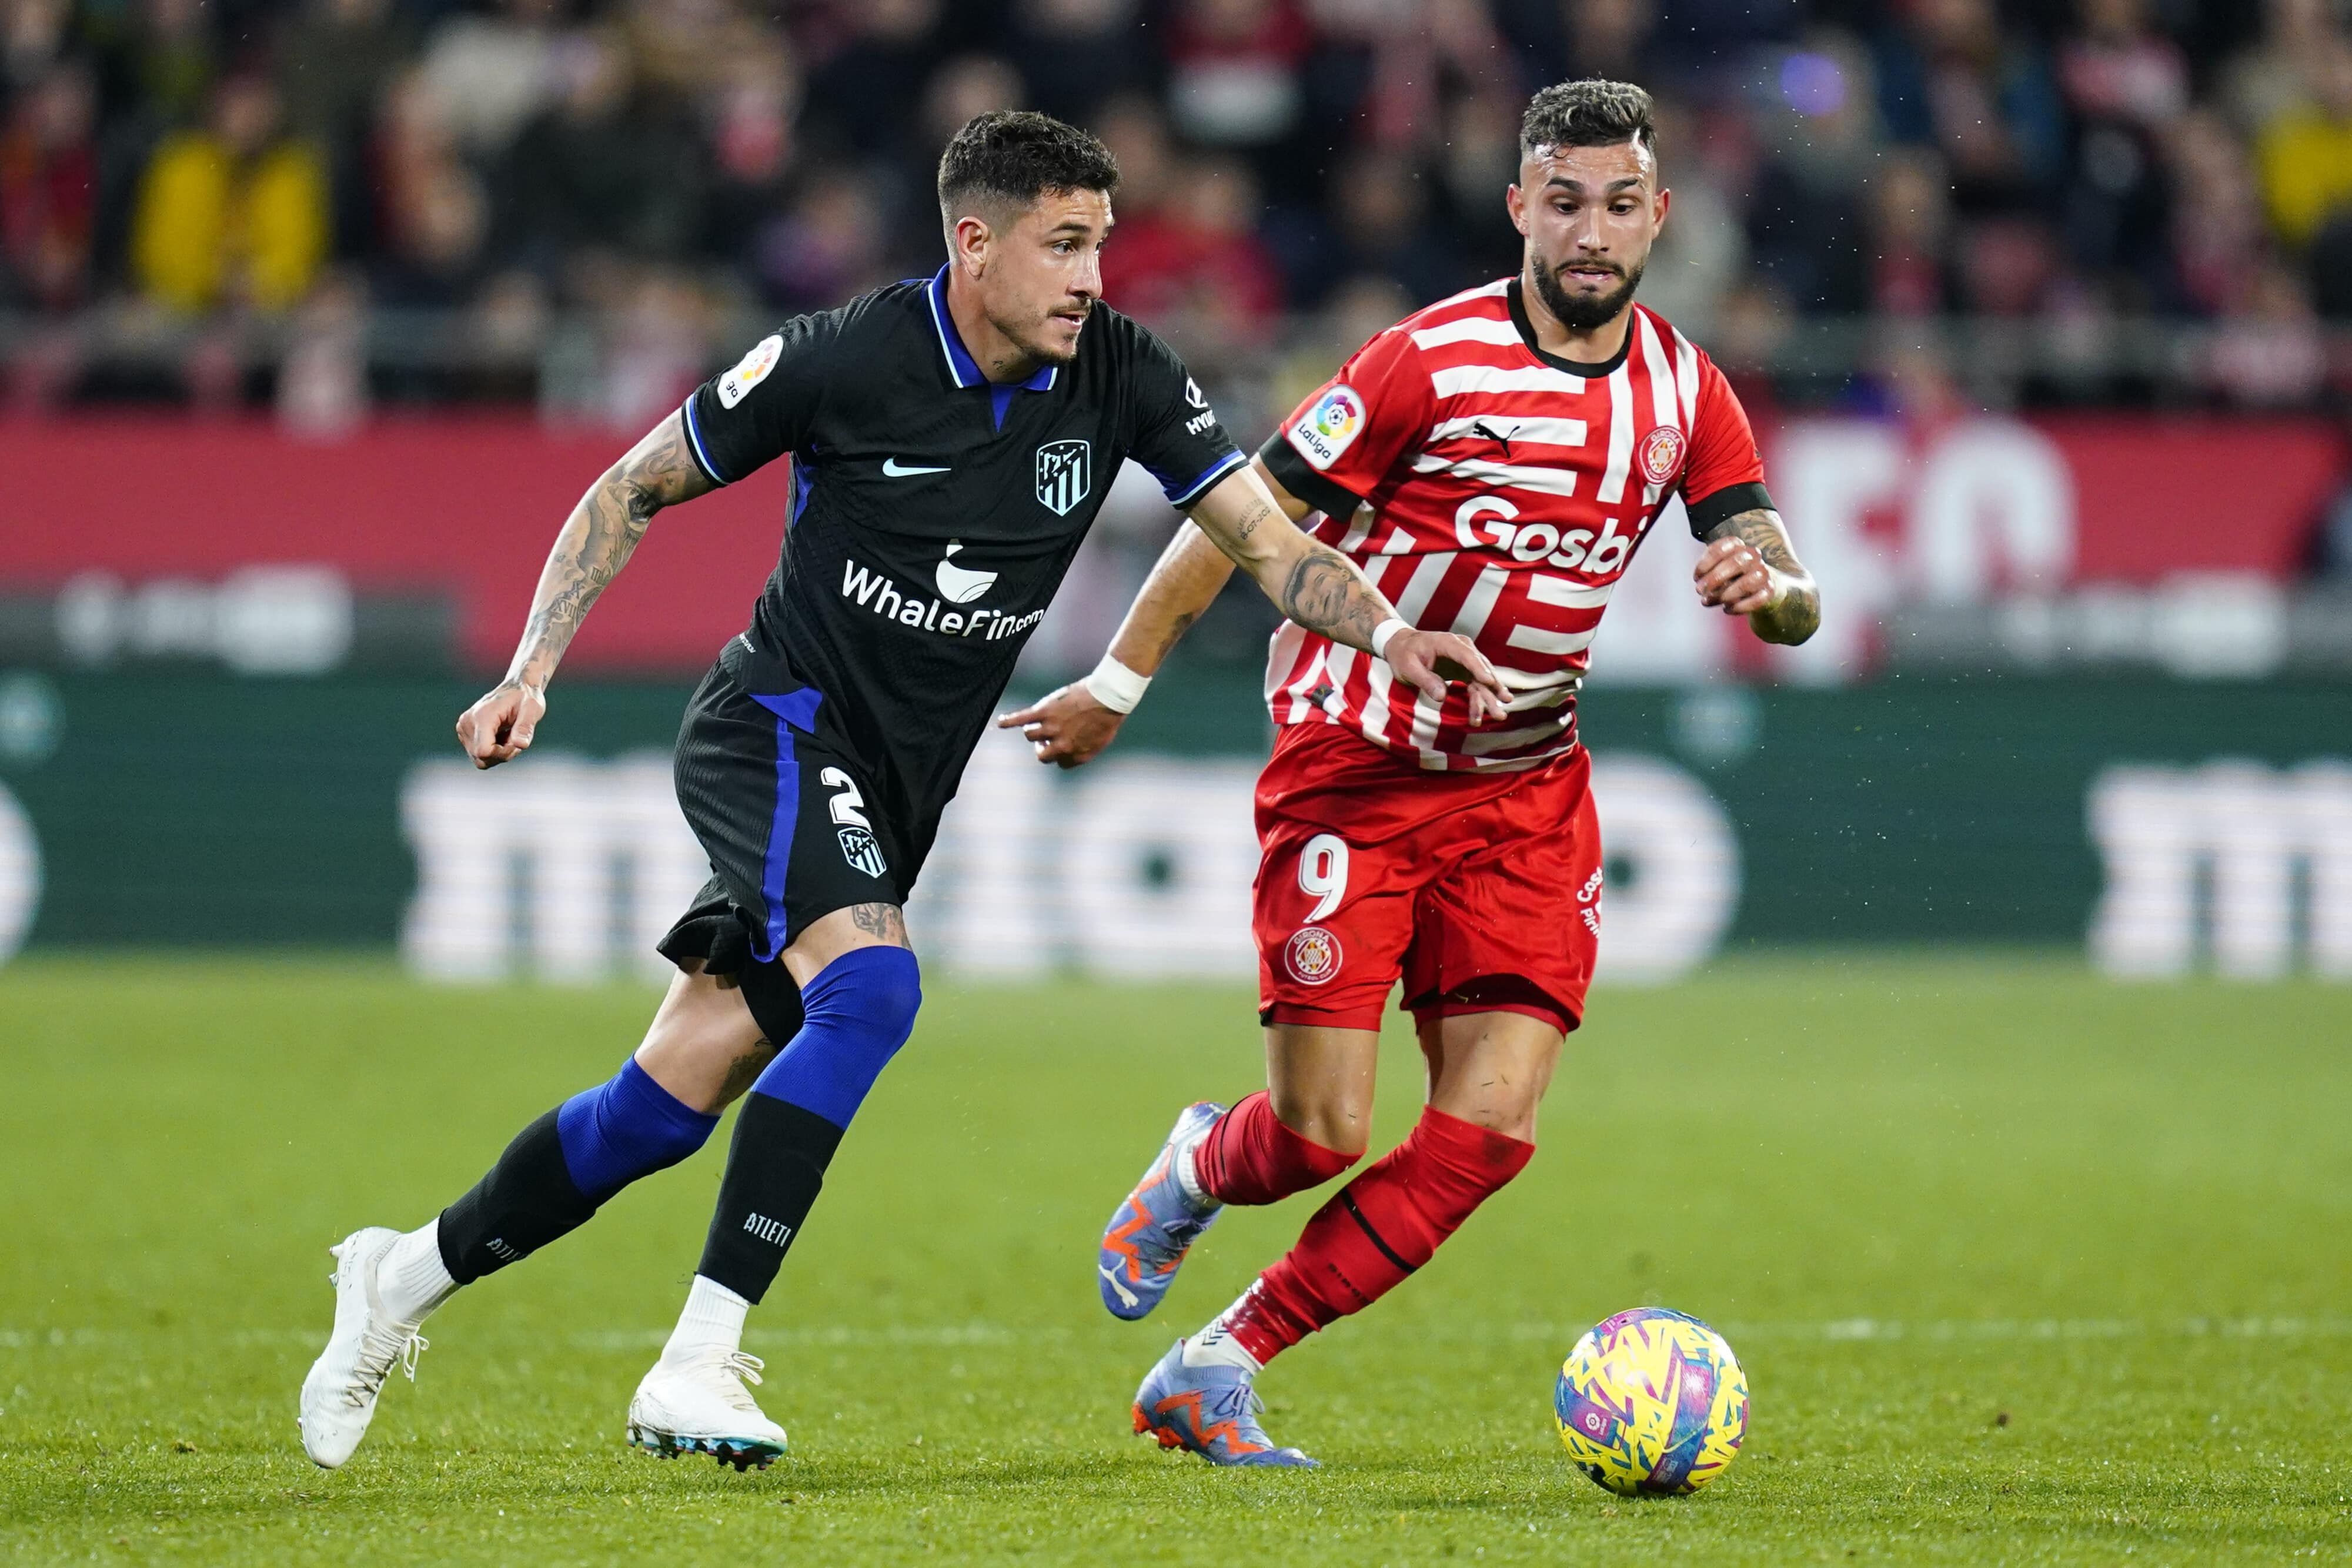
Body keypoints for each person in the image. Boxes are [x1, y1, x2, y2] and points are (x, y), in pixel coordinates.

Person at [298, 109, 1507, 1472]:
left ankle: (394, 1280)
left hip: (893, 788)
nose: (1091, 278)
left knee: (663, 1099)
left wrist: (1392, 634)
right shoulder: (841, 357)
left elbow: (1264, 542)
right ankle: (695, 1360)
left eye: (1100, 245)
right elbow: (630, 488)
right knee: (872, 991)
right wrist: (531, 668)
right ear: (973, 242)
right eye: (1063, 245)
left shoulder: (1118, 373)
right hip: (770, 726)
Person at [1001, 79, 1820, 1468]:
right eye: (1562, 201)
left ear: (1658, 218)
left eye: (1620, 206)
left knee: (1490, 1125)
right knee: (1320, 1131)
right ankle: (1205, 1159)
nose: (1590, 232)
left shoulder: (1687, 391)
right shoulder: (1420, 363)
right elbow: (1232, 523)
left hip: (1523, 791)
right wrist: (1118, 681)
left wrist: (1773, 590)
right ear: (1518, 207)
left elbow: (1787, 581)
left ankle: (1219, 1361)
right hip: (1356, 773)